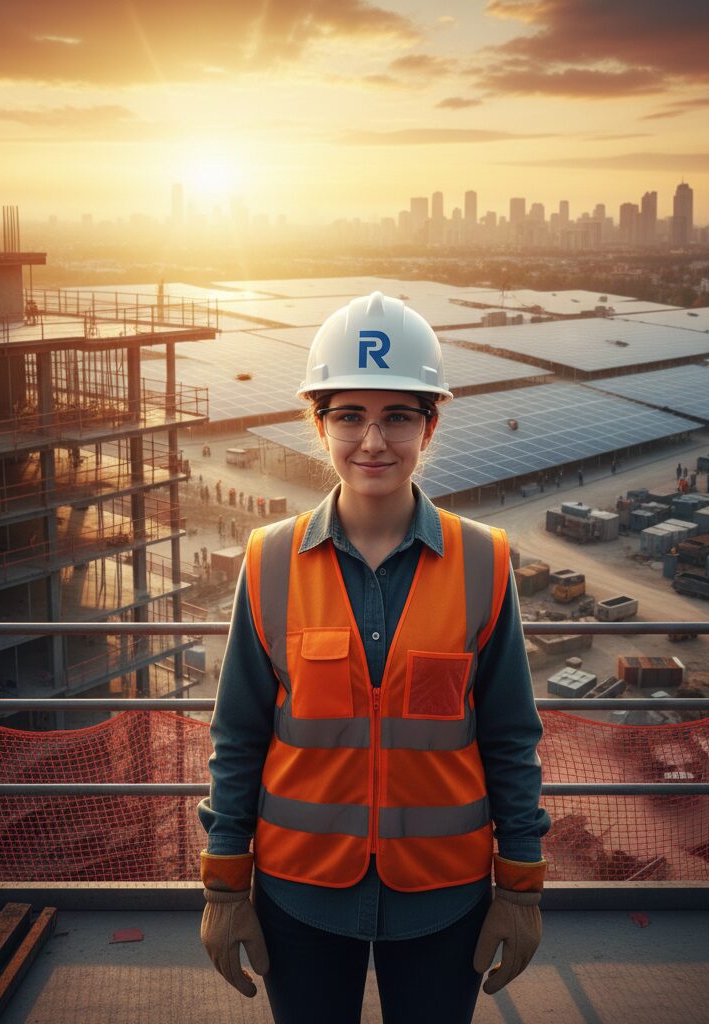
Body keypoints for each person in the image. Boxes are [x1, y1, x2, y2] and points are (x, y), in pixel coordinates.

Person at [198, 293, 550, 1024]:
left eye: (398, 415)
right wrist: (226, 889)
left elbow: (511, 737)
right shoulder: (268, 565)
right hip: (299, 899)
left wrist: (519, 890)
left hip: (444, 902)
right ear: (318, 423)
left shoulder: (484, 563)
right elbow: (239, 736)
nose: (373, 441)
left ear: (431, 424)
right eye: (350, 414)